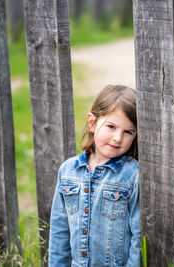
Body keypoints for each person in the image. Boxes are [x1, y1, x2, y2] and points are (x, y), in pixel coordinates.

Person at [48, 85, 141, 267]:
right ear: (92, 123)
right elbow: (59, 231)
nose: (117, 138)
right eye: (111, 127)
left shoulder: (133, 175)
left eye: (128, 132)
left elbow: (138, 238)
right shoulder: (68, 171)